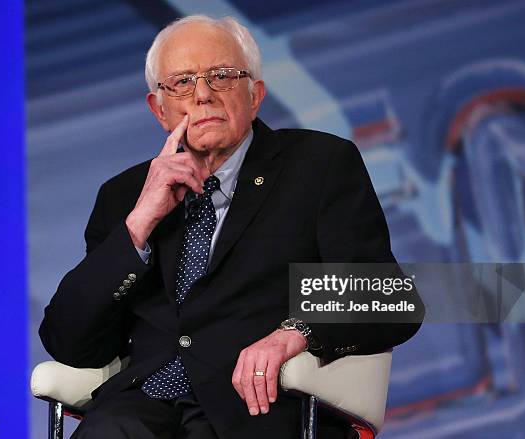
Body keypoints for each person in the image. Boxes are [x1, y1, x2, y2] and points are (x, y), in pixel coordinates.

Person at [39, 14, 423, 439]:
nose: (203, 95)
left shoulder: (317, 165)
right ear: (159, 109)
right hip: (139, 409)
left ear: (255, 95)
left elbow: (386, 297)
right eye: (182, 82)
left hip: (257, 406)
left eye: (221, 76)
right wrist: (139, 224)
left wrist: (296, 332)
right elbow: (68, 340)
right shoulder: (125, 195)